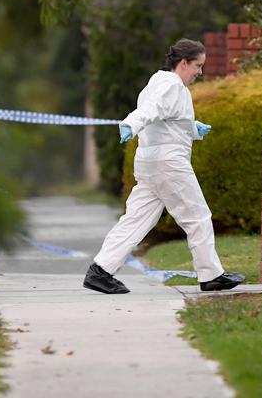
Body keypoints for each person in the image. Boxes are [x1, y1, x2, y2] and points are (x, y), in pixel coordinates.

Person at [83, 38, 245, 294]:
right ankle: (211, 275)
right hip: (170, 164)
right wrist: (131, 123)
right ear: (183, 63)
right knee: (198, 217)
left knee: (135, 220)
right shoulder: (172, 86)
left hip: (149, 163)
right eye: (197, 66)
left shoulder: (156, 82)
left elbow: (166, 118)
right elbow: (152, 110)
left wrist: (193, 129)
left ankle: (100, 271)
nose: (199, 72)